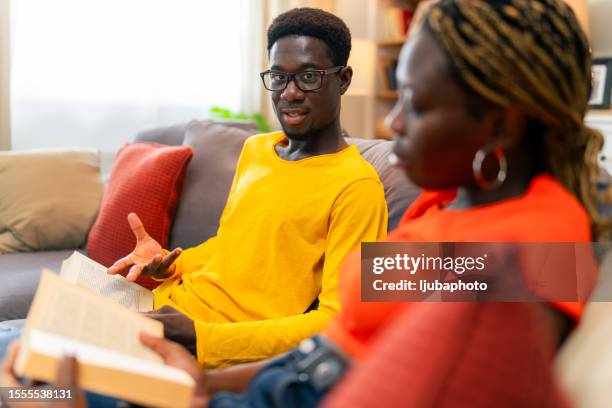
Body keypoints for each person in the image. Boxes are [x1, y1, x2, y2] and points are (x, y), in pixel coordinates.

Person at [4, 0, 608, 406]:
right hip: (255, 377)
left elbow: (540, 291)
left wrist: (203, 357)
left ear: (499, 127)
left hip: (272, 387)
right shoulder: (445, 210)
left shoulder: (531, 240)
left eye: (416, 105)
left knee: (24, 375)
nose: (392, 123)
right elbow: (342, 338)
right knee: (15, 344)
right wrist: (204, 379)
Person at [0, 7, 388, 368]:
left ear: (343, 79)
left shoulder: (356, 188)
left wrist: (199, 335)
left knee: (18, 364)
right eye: (278, 76)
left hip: (199, 345)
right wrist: (173, 261)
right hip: (156, 307)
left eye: (308, 76)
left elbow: (335, 322)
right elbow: (233, 243)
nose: (289, 92)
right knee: (12, 340)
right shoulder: (257, 149)